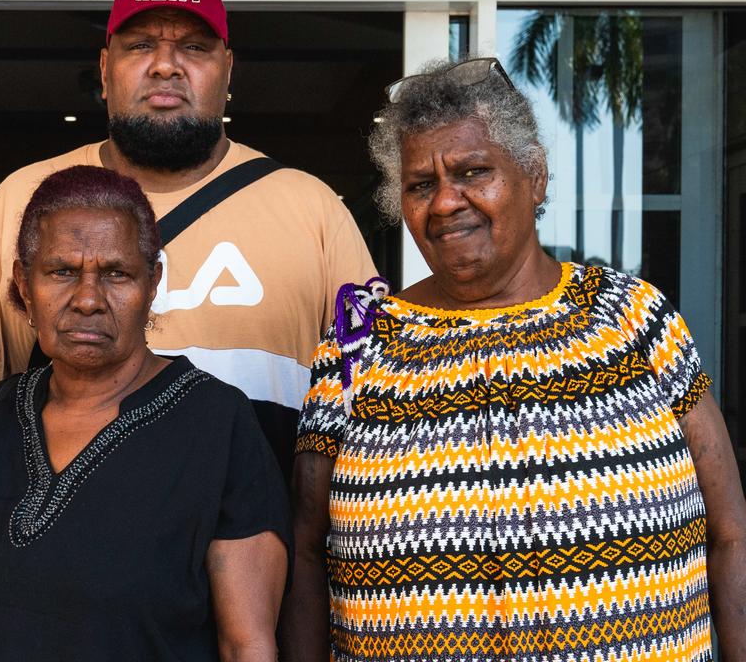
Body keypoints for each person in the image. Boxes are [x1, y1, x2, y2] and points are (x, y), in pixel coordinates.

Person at [0, 0, 375, 649]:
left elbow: (374, 406)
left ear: (227, 69)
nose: (166, 66)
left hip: (261, 596)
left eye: (192, 47)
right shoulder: (25, 200)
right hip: (67, 613)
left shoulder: (313, 209)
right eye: (140, 46)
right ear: (104, 70)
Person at [280, 57, 746, 661]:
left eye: (474, 171)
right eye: (422, 184)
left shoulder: (631, 317)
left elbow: (730, 531)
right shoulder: (358, 344)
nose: (446, 202)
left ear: (536, 178)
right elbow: (307, 550)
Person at [0, 165, 290, 661]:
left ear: (153, 281)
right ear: (24, 284)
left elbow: (247, 645)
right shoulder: (1, 412)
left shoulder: (217, 423)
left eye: (116, 273)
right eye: (62, 272)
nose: (88, 300)